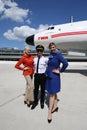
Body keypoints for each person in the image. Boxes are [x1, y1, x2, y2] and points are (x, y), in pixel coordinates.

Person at [45, 42, 68, 123]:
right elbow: (50, 64)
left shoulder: (58, 54)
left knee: (51, 94)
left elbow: (65, 63)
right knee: (53, 92)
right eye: (51, 47)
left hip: (54, 77)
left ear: (55, 47)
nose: (52, 48)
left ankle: (49, 113)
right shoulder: (51, 55)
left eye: (53, 47)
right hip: (48, 76)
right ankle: (55, 106)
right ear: (49, 48)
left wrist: (60, 71)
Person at [31, 45, 48, 110]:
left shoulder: (46, 59)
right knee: (36, 90)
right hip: (36, 76)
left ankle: (42, 102)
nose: (39, 52)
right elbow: (31, 65)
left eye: (41, 50)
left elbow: (50, 66)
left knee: (43, 90)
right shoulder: (34, 59)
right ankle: (35, 102)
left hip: (43, 76)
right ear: (36, 51)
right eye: (38, 50)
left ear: (43, 51)